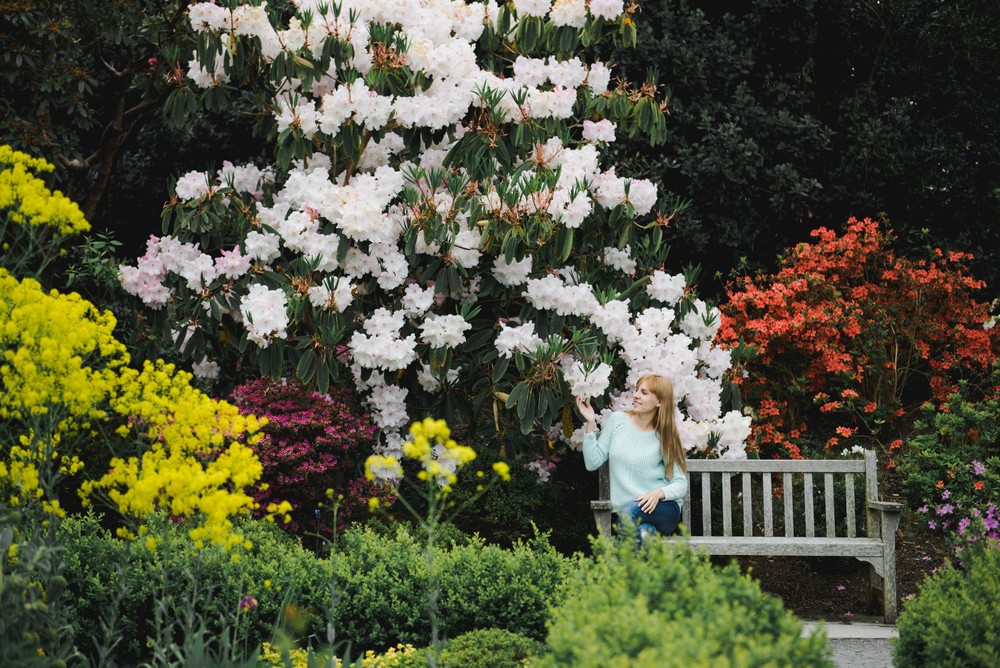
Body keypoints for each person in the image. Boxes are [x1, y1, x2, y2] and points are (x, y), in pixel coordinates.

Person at [577, 374, 689, 543]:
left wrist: (659, 493)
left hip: (662, 509)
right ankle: (645, 550)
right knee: (643, 532)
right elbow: (592, 462)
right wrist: (590, 423)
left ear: (659, 401)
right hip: (627, 514)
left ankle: (621, 567)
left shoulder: (665, 436)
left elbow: (680, 484)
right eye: (637, 390)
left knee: (629, 512)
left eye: (644, 393)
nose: (636, 395)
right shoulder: (617, 421)